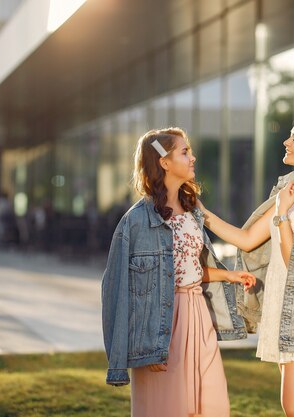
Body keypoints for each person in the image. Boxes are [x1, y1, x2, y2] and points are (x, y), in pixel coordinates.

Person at [197, 112, 294, 417]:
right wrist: (201, 213)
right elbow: (246, 239)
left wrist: (283, 215)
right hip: (288, 310)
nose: (286, 142)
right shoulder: (290, 191)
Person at [101, 127, 256, 417]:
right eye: (185, 152)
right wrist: (140, 347)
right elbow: (115, 290)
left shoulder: (193, 209)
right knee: (168, 408)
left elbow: (188, 268)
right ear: (164, 162)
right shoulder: (135, 221)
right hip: (161, 324)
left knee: (212, 406)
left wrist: (228, 275)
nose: (193, 157)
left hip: (197, 314)